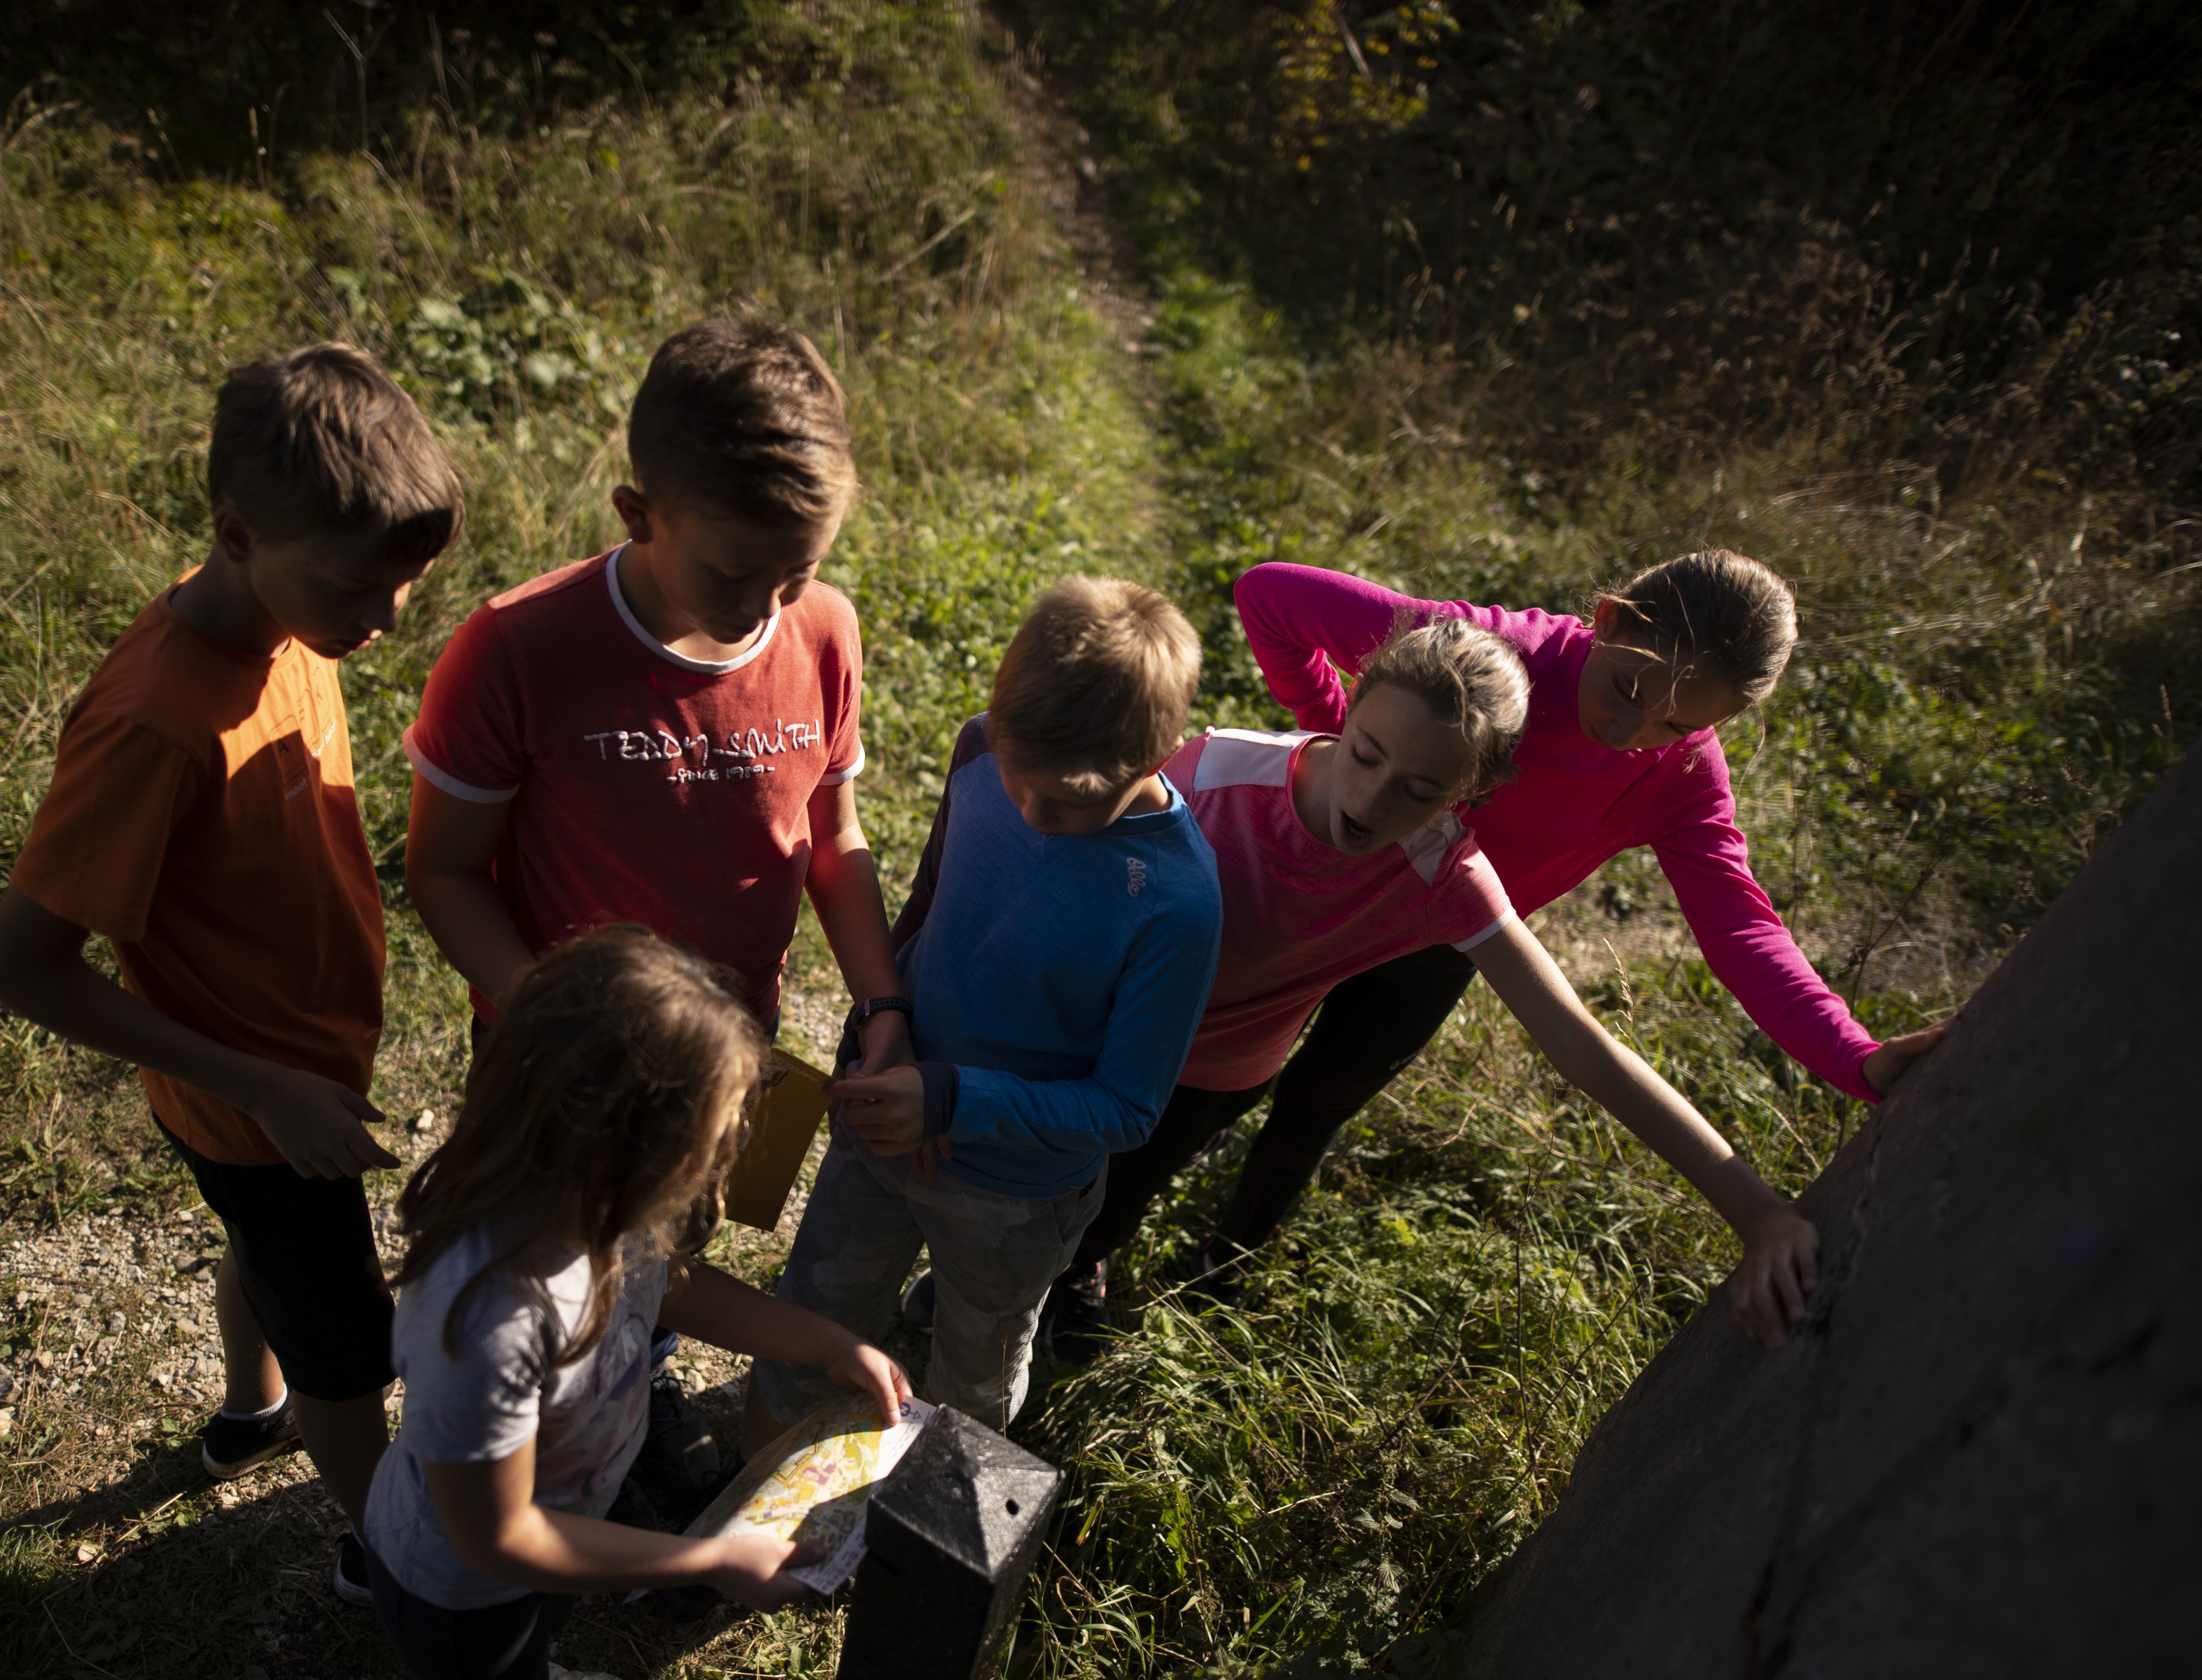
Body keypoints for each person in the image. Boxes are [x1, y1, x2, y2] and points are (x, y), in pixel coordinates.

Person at [0, 343, 463, 1602]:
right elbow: (24, 966)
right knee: (347, 1343)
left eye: (406, 584)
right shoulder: (153, 720)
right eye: (364, 587)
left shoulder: (297, 623)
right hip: (261, 1097)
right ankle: (389, 1553)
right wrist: (266, 1090)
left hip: (286, 1076)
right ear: (237, 532)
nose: (388, 618)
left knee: (264, 1243)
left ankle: (251, 1410)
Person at [401, 315, 907, 1502]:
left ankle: (642, 1383)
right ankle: (535, 1468)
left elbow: (830, 836)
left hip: (741, 1045)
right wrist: (552, 1021)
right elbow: (446, 872)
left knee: (676, 1246)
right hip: (559, 1055)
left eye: (800, 568)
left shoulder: (821, 631)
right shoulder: (519, 649)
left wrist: (882, 999)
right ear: (641, 514)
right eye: (737, 572)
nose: (771, 601)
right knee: (555, 1267)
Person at [1058, 619, 1826, 1357]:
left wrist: (1759, 1216)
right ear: (1348, 708)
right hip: (1106, 1029)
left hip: (1220, 1072)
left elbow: (1579, 1045)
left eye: (1420, 790)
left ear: (1471, 795)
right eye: (1366, 755)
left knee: (1112, 1204)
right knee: (1032, 1171)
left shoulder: (1445, 874)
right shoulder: (1215, 774)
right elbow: (1076, 882)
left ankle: (1074, 1269)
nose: (1370, 802)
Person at [745, 578, 1223, 1448]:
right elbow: (929, 905)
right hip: (887, 1116)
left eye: (1073, 803)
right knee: (816, 1309)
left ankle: (931, 1538)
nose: (1035, 811)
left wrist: (955, 1099)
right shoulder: (979, 747)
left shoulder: (1176, 902)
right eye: (1020, 778)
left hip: (1014, 1199)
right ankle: (760, 1477)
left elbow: (1128, 1106)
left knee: (976, 1374)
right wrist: (883, 1026)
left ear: (1164, 753)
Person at [365, 925, 914, 1680]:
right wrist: (707, 1560)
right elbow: (500, 1536)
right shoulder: (490, 1317)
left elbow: (673, 1289)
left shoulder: (594, 1206)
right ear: (630, 1151)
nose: (723, 1170)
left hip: (558, 1538)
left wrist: (823, 1343)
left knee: (540, 1625)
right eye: (714, 1146)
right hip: (465, 1593)